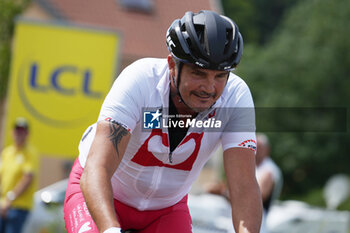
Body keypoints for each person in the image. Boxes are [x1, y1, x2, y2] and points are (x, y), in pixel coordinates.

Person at [64, 10, 262, 233]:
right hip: (103, 192)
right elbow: (98, 167)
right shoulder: (140, 80)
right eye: (198, 73)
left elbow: (244, 187)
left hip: (166, 210)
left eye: (219, 76)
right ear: (172, 65)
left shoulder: (235, 97)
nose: (209, 88)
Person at [0, 117, 39, 233]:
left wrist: (10, 198)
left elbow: (28, 178)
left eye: (23, 131)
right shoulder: (7, 152)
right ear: (12, 132)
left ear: (27, 134)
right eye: (17, 130)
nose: (19, 134)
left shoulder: (30, 153)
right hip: (3, 204)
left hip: (19, 206)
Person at [255, 133, 282, 233]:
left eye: (259, 147)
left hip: (259, 224)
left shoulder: (269, 170)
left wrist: (225, 193)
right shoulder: (253, 168)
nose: (256, 150)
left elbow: (258, 197)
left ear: (267, 149)